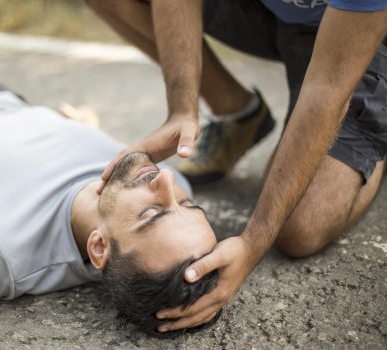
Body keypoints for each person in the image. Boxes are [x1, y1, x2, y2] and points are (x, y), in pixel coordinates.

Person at [0, 12, 221, 333]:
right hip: (1, 101)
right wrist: (87, 129)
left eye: (152, 211)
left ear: (100, 248)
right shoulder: (153, 185)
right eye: (189, 206)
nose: (167, 180)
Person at [86, 0, 387, 332]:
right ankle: (236, 109)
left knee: (300, 229)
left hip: (361, 35)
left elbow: (328, 86)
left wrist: (254, 240)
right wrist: (182, 109)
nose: (167, 178)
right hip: (271, 13)